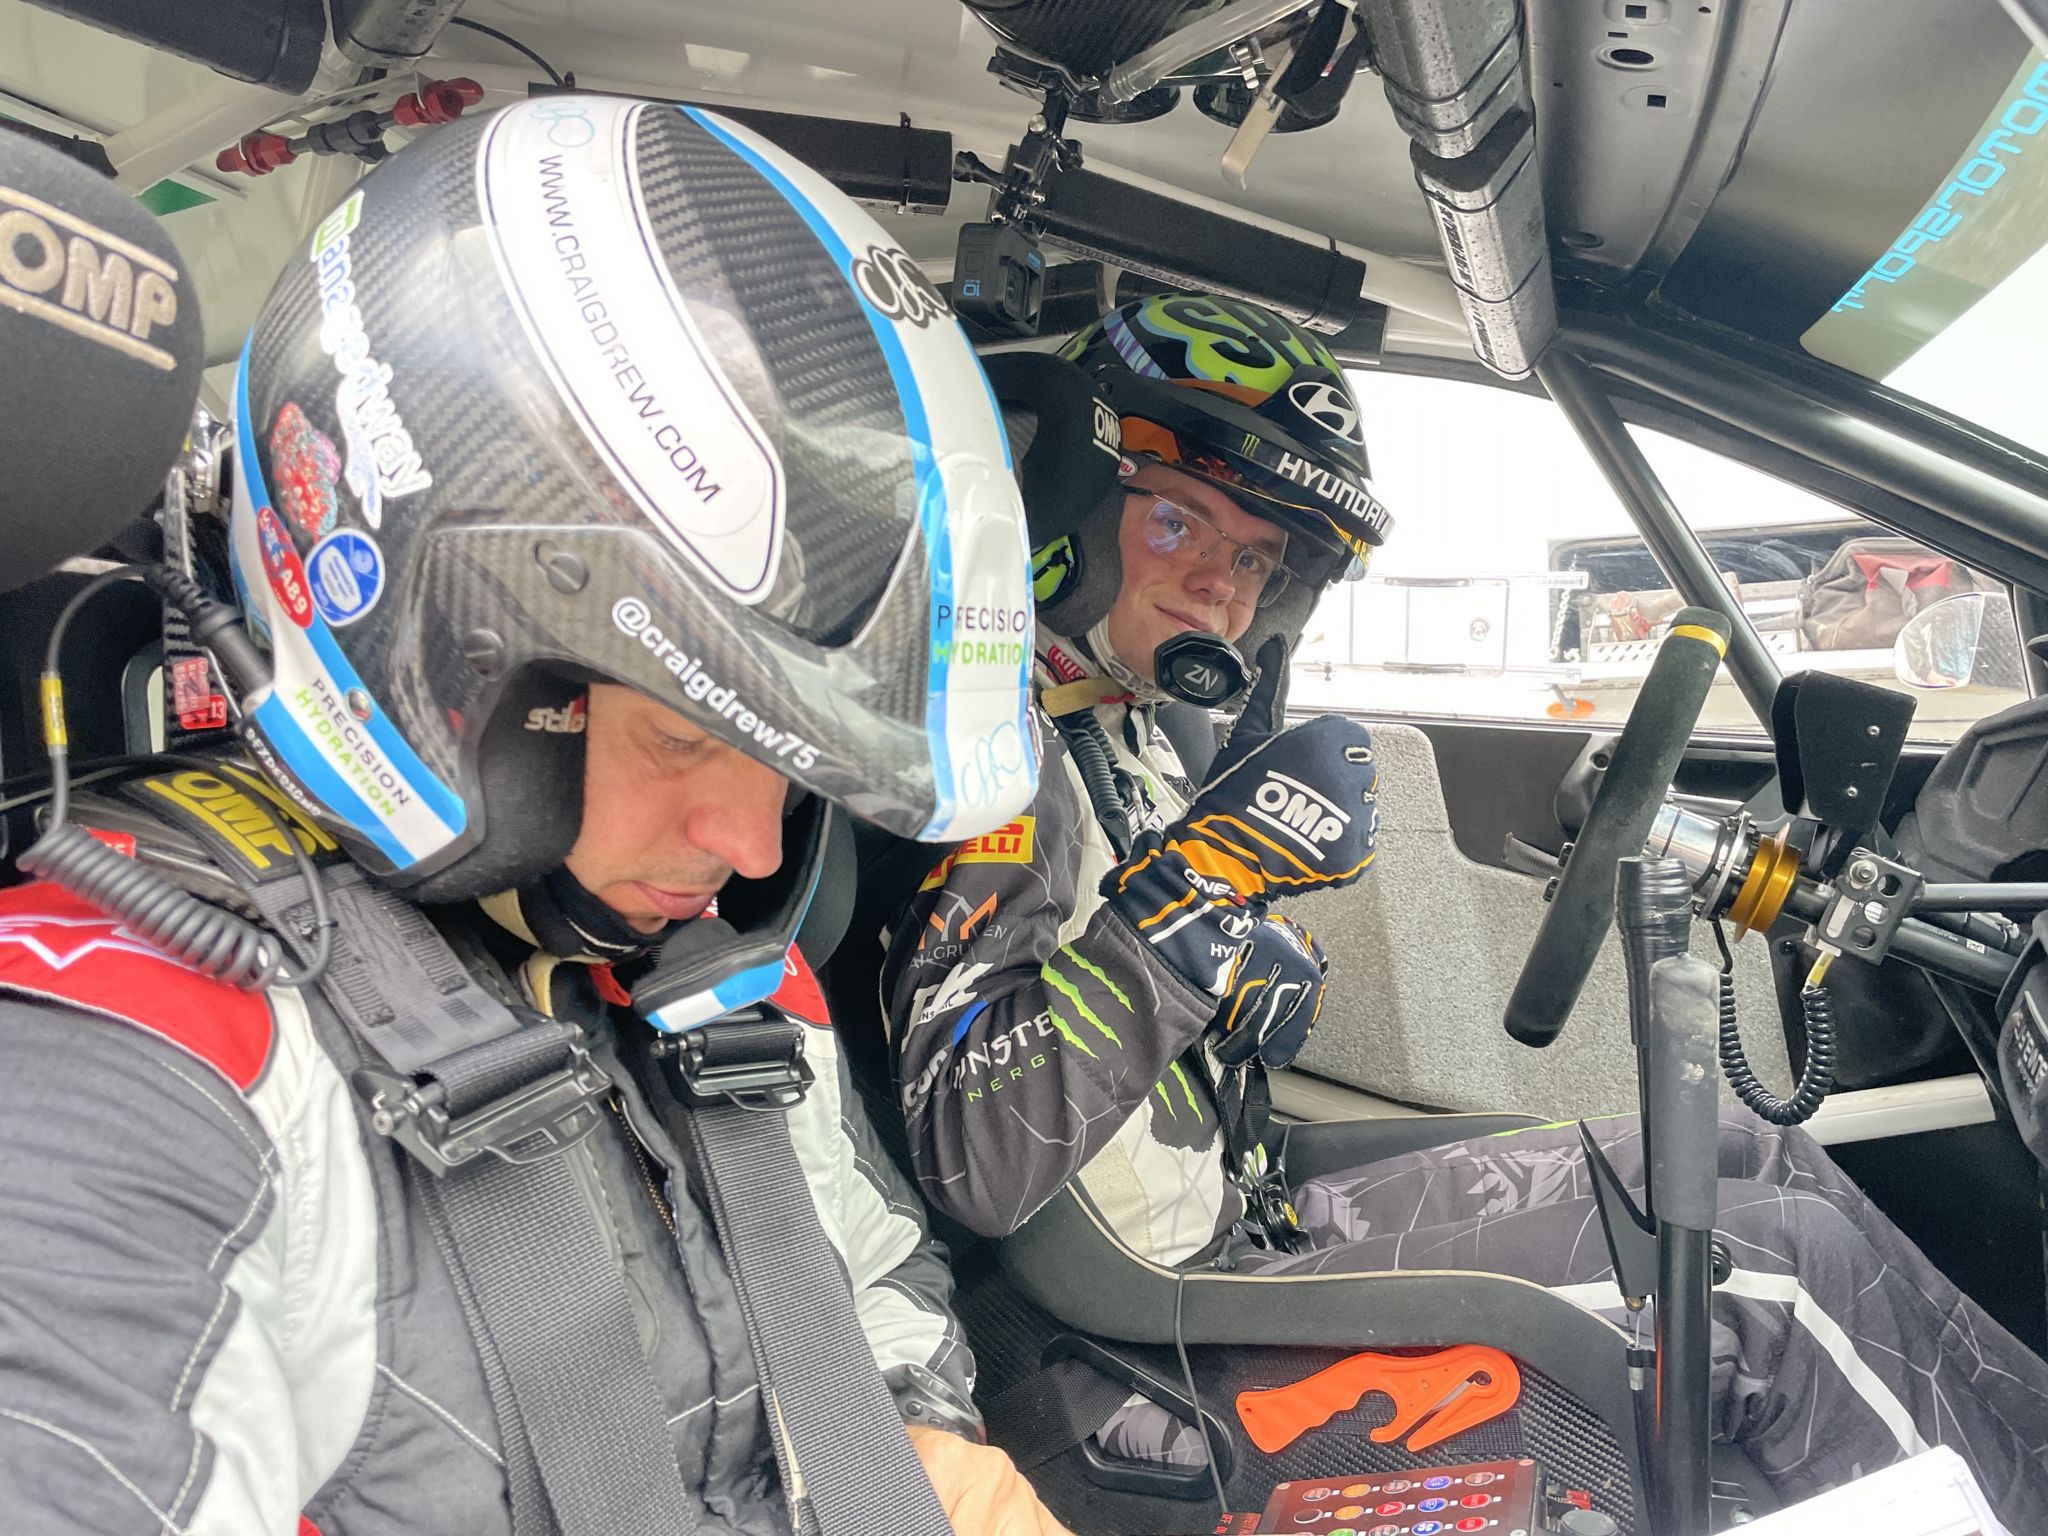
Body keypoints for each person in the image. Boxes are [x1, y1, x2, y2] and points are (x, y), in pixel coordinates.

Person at [0, 96, 1071, 1536]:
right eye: (687, 732)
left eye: (791, 766)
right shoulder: (138, 1062)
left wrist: (907, 1460)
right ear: (449, 670)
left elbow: (874, 1285)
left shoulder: (723, 970)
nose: (756, 848)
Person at [881, 293, 2048, 1524]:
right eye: (1177, 521)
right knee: (1775, 1273)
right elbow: (980, 1158)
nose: (1218, 588)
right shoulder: (984, 757)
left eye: (1256, 561)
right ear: (1060, 497)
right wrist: (1198, 897)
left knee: (1759, 1156)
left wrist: (1227, 960)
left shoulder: (1113, 731)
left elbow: (1115, 978)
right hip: (1146, 1314)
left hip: (1252, 1208)